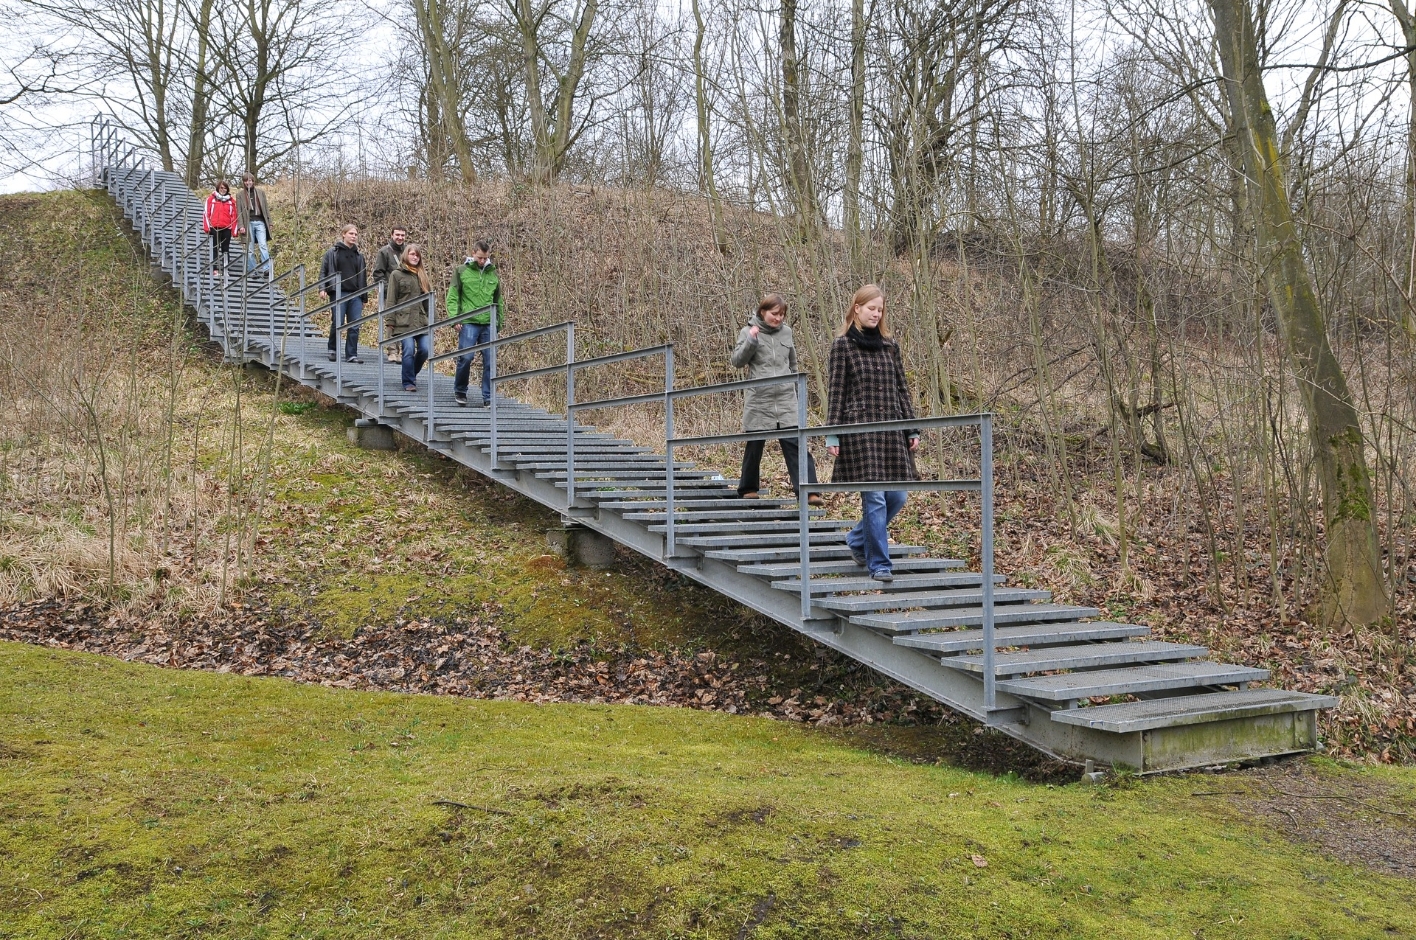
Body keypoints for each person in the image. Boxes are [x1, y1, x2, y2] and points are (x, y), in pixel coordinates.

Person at [826, 284, 920, 582]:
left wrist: (911, 428)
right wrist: (832, 434)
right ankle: (879, 564)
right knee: (875, 499)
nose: (876, 314)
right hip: (861, 432)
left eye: (880, 310)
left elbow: (901, 389)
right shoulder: (842, 346)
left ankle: (856, 540)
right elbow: (837, 392)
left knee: (898, 496)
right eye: (871, 309)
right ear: (857, 308)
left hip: (891, 431)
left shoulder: (890, 345)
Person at [730, 293, 821, 505]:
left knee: (796, 443)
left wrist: (797, 392)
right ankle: (748, 488)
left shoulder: (787, 333)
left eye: (781, 314)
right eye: (774, 314)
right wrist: (751, 341)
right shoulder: (748, 331)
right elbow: (737, 361)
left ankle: (809, 491)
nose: (778, 318)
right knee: (755, 445)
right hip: (759, 399)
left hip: (786, 398)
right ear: (763, 312)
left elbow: (793, 364)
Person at [447, 240, 506, 406]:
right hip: (469, 320)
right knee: (466, 357)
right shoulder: (461, 271)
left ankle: (488, 397)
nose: (482, 261)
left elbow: (498, 301)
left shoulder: (492, 274)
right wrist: (454, 318)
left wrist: (498, 322)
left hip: (488, 323)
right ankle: (460, 390)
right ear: (473, 253)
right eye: (480, 257)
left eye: (485, 258)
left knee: (490, 360)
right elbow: (452, 296)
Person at [385, 243, 433, 392]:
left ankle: (411, 373)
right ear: (406, 255)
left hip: (421, 320)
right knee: (408, 349)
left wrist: (433, 321)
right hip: (403, 321)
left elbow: (428, 301)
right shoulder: (396, 275)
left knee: (425, 350)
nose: (415, 257)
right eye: (412, 254)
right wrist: (390, 321)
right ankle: (408, 382)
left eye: (417, 255)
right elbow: (391, 299)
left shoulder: (422, 275)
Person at [319, 224, 368, 364]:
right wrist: (322, 288)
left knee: (355, 325)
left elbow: (363, 277)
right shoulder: (332, 252)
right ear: (343, 234)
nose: (353, 236)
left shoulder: (359, 256)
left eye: (355, 234)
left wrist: (364, 297)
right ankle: (332, 349)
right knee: (338, 322)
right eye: (351, 233)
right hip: (338, 292)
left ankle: (351, 354)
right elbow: (324, 271)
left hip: (356, 294)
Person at [372, 226, 408, 363]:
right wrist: (389, 289)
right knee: (391, 322)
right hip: (390, 294)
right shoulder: (384, 252)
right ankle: (392, 351)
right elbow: (378, 273)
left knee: (406, 322)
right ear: (392, 235)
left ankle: (405, 352)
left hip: (406, 294)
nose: (400, 238)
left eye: (402, 235)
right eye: (397, 235)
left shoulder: (408, 252)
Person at [235, 173, 273, 277]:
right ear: (244, 182)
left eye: (250, 180)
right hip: (248, 223)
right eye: (246, 181)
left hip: (260, 221)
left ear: (253, 181)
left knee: (263, 245)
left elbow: (265, 208)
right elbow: (239, 211)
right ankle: (252, 270)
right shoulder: (240, 195)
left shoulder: (260, 192)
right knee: (250, 249)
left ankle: (267, 269)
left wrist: (269, 222)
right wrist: (241, 226)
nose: (249, 182)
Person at [202, 180, 239, 276]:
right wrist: (207, 227)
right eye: (221, 188)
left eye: (225, 188)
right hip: (214, 227)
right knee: (214, 248)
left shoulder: (231, 201)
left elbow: (234, 216)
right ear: (218, 188)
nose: (223, 189)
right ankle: (214, 269)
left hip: (227, 228)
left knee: (225, 249)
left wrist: (234, 230)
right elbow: (206, 213)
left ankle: (226, 269)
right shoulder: (211, 199)